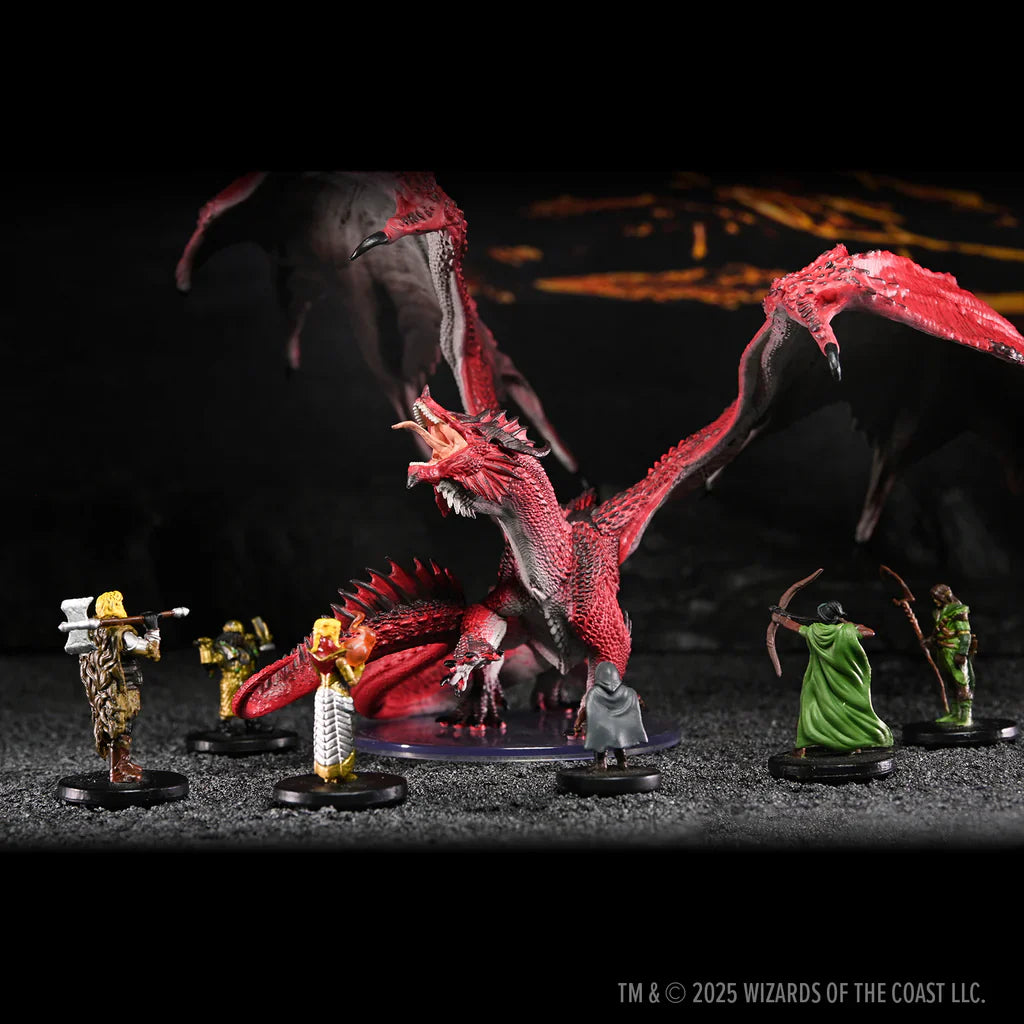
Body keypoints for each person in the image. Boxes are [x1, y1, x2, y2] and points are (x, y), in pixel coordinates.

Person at [770, 599, 892, 755]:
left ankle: (802, 748)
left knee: (810, 711)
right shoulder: (845, 631)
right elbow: (869, 632)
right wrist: (847, 623)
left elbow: (794, 626)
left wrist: (780, 619)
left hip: (817, 682)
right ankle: (852, 744)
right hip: (840, 683)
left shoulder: (814, 631)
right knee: (844, 711)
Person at [78, 591, 161, 782]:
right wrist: (153, 629)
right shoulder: (121, 634)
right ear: (115, 606)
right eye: (120, 603)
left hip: (104, 690)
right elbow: (151, 651)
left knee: (116, 726)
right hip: (122, 688)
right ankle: (118, 770)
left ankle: (122, 764)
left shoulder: (93, 633)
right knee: (121, 727)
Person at [306, 615, 376, 782]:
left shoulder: (314, 655)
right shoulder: (339, 659)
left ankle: (325, 772)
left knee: (323, 732)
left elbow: (318, 675)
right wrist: (360, 666)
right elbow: (352, 681)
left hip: (322, 693)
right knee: (339, 733)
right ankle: (340, 772)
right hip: (336, 695)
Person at [195, 618, 273, 732]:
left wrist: (262, 638)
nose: (237, 637)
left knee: (250, 703)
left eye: (239, 634)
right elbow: (211, 662)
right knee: (228, 704)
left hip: (246, 680)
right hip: (230, 680)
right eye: (233, 634)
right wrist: (205, 649)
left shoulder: (247, 646)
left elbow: (261, 648)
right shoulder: (223, 650)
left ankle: (252, 723)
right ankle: (225, 725)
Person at [580, 661, 648, 770]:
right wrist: (639, 702)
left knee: (601, 744)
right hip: (617, 727)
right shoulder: (625, 692)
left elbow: (586, 711)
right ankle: (622, 763)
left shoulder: (595, 693)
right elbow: (635, 698)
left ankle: (603, 764)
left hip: (603, 727)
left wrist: (579, 724)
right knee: (618, 743)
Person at [925, 584, 976, 726]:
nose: (935, 601)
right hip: (942, 651)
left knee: (961, 683)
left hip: (954, 651)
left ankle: (966, 716)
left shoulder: (958, 610)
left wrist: (962, 653)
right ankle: (954, 714)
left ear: (944, 596)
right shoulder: (939, 612)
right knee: (950, 683)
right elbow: (940, 632)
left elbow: (965, 634)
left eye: (936, 597)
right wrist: (930, 641)